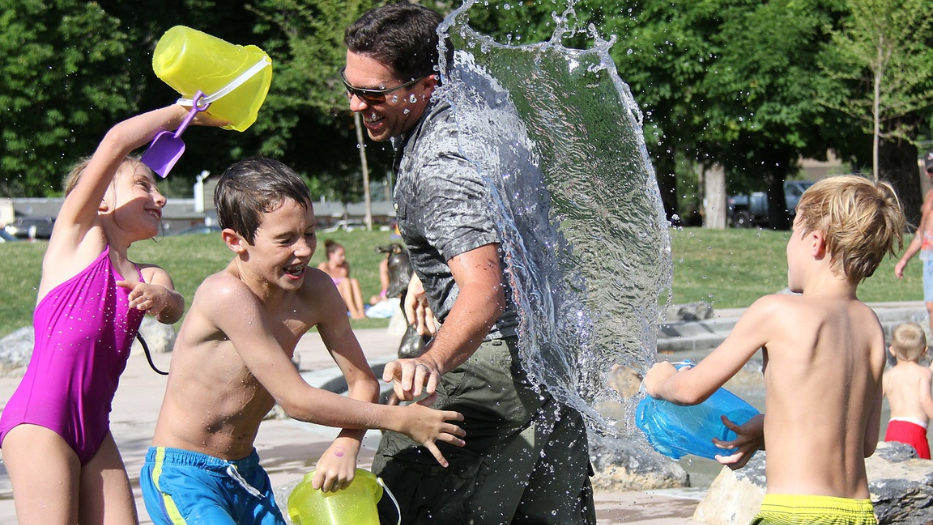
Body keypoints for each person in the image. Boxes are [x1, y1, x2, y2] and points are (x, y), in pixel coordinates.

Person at [344, 4, 596, 524]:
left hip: (488, 369)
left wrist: (432, 362)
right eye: (350, 87)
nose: (355, 105)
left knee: (400, 505)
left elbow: (483, 292)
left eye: (372, 93)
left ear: (427, 84)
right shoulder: (483, 102)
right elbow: (503, 223)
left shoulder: (440, 164)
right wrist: (426, 268)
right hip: (555, 358)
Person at [140, 158, 465, 525]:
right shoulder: (226, 295)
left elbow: (361, 381)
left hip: (245, 472)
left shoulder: (318, 290)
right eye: (285, 240)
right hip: (185, 475)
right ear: (235, 241)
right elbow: (295, 400)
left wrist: (347, 443)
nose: (303, 250)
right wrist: (401, 420)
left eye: (309, 233)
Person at [644, 175, 905, 525]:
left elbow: (690, 390)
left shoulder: (777, 311)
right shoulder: (871, 326)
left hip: (794, 514)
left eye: (791, 235)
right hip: (858, 512)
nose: (787, 248)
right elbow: (863, 441)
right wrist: (767, 429)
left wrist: (660, 381)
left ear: (815, 242)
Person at [0, 105, 209, 524]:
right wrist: (180, 112)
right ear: (101, 201)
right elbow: (116, 141)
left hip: (96, 430)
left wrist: (160, 299)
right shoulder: (77, 240)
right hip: (41, 422)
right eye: (143, 185)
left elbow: (174, 306)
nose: (160, 197)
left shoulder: (147, 273)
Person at [894, 150, 933, 337]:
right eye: (932, 170)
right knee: (931, 307)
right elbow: (921, 234)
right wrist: (904, 260)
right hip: (929, 256)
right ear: (926, 172)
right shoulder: (929, 197)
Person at [882, 321, 933, 459]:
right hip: (914, 432)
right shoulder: (924, 373)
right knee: (922, 475)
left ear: (892, 350)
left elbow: (873, 402)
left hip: (892, 430)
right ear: (924, 350)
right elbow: (925, 400)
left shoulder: (887, 376)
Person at [317, 239, 367, 319]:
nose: (343, 258)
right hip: (330, 299)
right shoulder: (324, 267)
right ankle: (353, 313)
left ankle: (361, 312)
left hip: (344, 301)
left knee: (354, 281)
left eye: (344, 255)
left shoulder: (344, 267)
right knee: (346, 281)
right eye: (340, 255)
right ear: (331, 255)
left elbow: (349, 289)